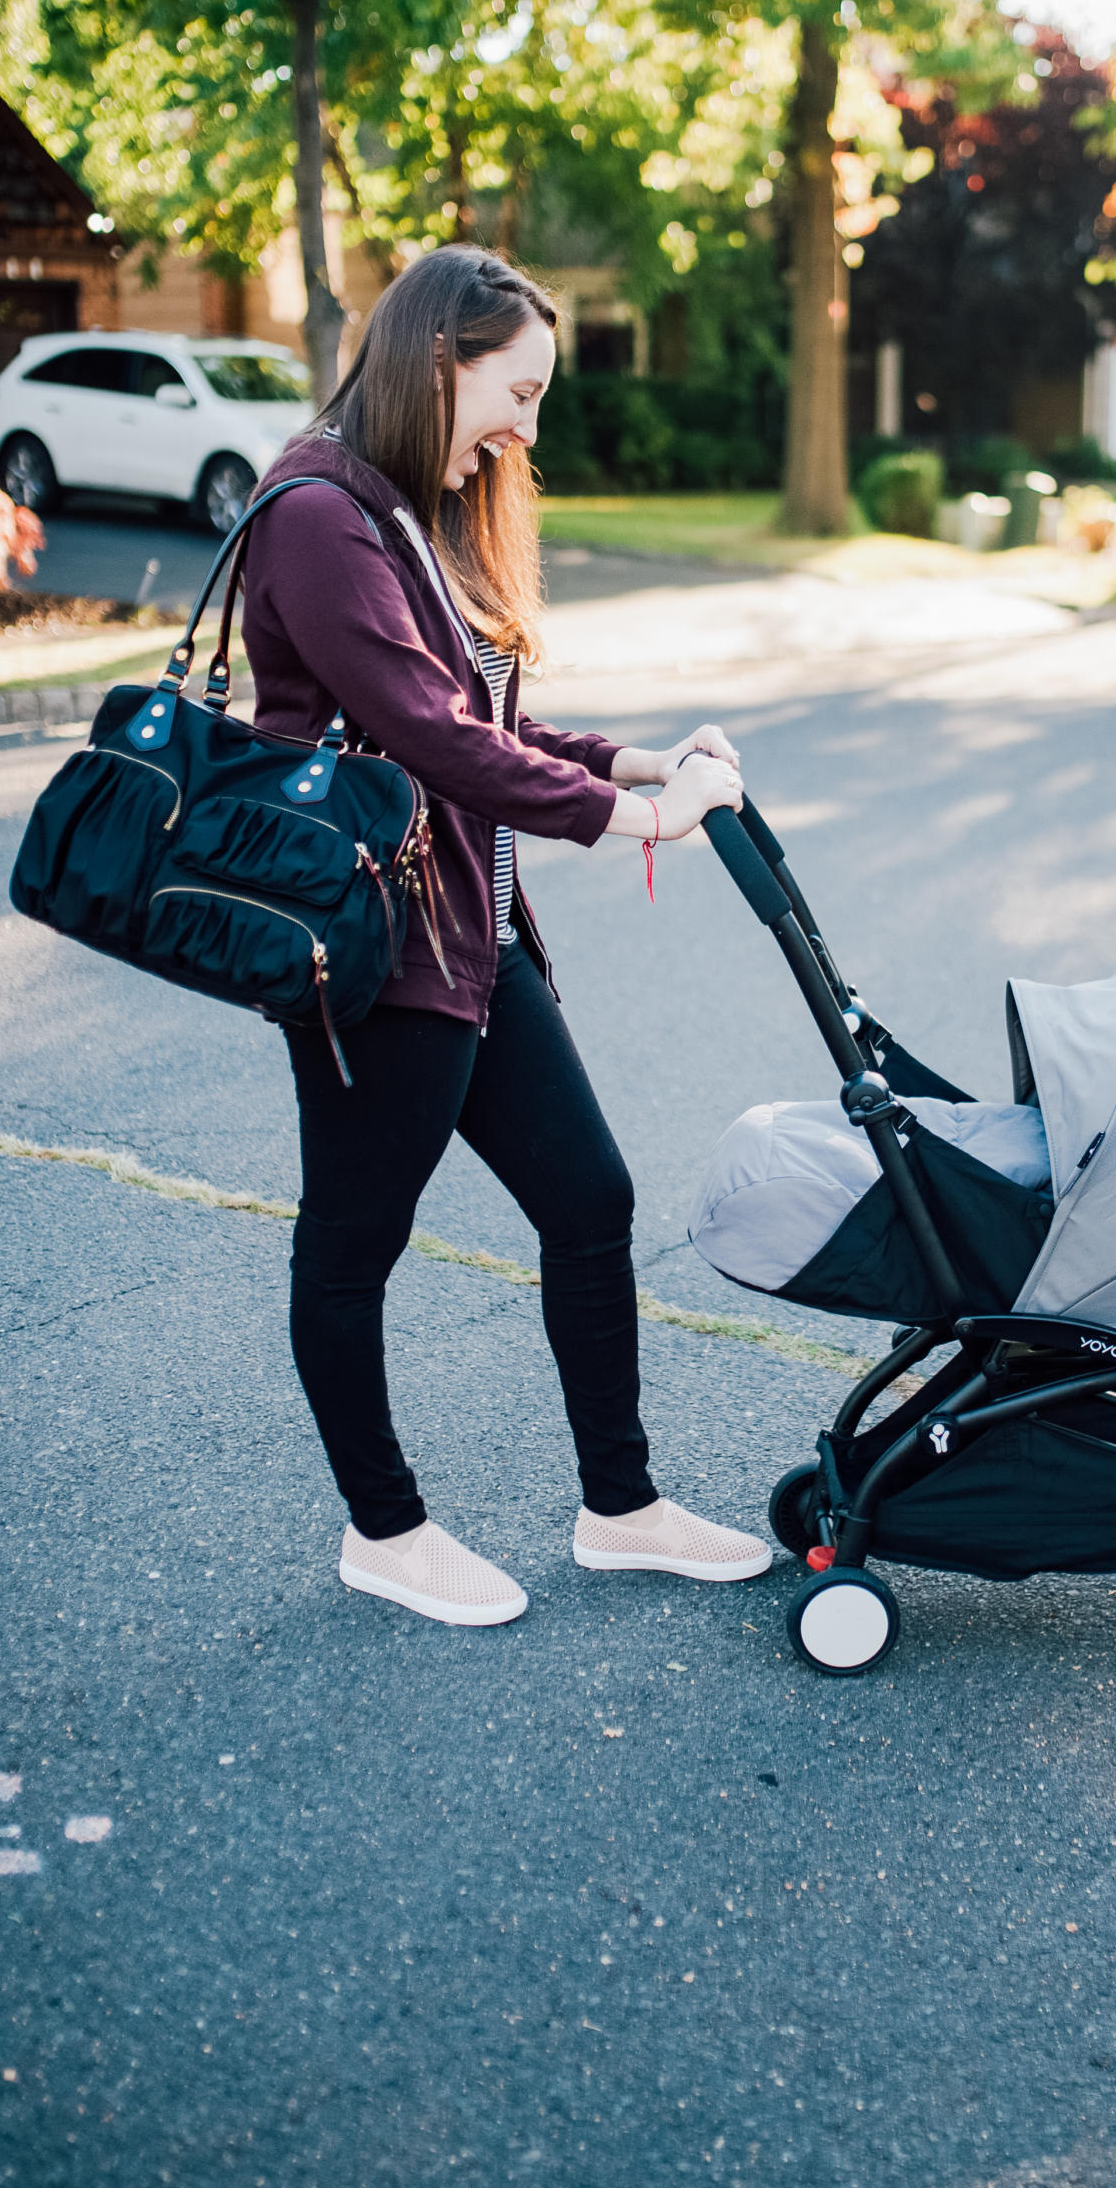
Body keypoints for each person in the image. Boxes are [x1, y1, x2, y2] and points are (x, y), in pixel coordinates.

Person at [240, 244, 769, 1628]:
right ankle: (386, 1528)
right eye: (517, 393)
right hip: (376, 945)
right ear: (438, 361)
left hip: (473, 932)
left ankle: (622, 1504)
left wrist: (636, 760)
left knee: (589, 1199)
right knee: (354, 1244)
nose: (527, 429)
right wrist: (634, 825)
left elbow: (482, 720)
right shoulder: (314, 514)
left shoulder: (410, 511)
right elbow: (425, 736)